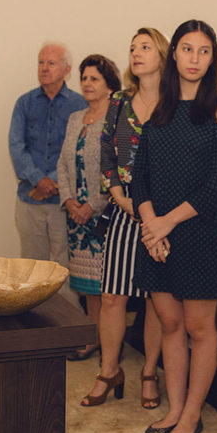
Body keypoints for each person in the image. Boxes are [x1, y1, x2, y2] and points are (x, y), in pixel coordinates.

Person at [134, 20, 217, 433]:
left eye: (204, 51)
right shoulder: (158, 108)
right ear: (173, 53)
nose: (195, 59)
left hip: (200, 233)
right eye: (187, 49)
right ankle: (174, 408)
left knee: (198, 327)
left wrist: (165, 223)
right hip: (158, 237)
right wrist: (150, 226)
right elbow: (140, 178)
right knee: (169, 323)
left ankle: (193, 414)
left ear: (213, 59)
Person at [84, 28, 167, 405]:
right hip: (123, 210)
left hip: (162, 215)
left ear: (162, 56)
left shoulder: (176, 103)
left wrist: (152, 209)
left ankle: (149, 372)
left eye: (145, 47)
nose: (136, 53)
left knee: (155, 299)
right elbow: (106, 154)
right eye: (133, 48)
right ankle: (109, 370)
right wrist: (120, 197)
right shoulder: (119, 101)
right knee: (112, 296)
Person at [57, 54, 120, 373]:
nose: (87, 83)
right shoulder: (75, 118)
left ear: (109, 84)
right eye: (84, 78)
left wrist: (92, 206)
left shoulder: (117, 118)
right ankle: (92, 336)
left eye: (94, 78)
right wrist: (69, 200)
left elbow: (119, 170)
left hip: (104, 216)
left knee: (104, 285)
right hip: (75, 216)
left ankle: (101, 342)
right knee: (85, 286)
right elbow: (63, 163)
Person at [9, 41, 88, 273]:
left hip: (64, 203)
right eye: (41, 62)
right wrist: (38, 180)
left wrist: (52, 183)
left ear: (67, 70)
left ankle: (64, 312)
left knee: (64, 268)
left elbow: (77, 150)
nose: (44, 68)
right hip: (29, 198)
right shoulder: (24, 103)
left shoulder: (80, 104)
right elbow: (16, 146)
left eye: (51, 63)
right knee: (30, 269)